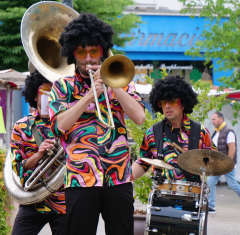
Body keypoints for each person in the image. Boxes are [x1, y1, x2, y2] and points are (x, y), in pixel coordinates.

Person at [48, 13, 145, 235]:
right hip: (81, 177)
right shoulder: (62, 86)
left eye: (94, 52)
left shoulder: (120, 79)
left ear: (103, 51)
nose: (89, 58)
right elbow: (58, 126)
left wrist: (114, 85)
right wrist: (89, 96)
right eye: (82, 52)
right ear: (73, 54)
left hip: (118, 175)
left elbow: (139, 117)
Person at [132, 75, 216, 235]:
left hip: (193, 201)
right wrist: (122, 178)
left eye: (172, 101)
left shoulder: (201, 133)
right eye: (163, 102)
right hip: (161, 201)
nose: (167, 106)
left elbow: (215, 162)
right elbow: (143, 163)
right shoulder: (152, 133)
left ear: (183, 103)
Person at [11, 71, 67, 235]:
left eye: (55, 93)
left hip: (64, 202)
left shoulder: (70, 124)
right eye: (45, 92)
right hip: (33, 201)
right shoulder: (22, 126)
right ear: (34, 96)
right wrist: (39, 154)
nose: (50, 96)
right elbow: (19, 168)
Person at [207, 111, 240, 213]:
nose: (212, 121)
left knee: (233, 184)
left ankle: (211, 205)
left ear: (221, 119)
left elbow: (232, 149)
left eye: (214, 119)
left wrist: (228, 164)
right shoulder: (216, 132)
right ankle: (211, 206)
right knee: (210, 182)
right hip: (217, 165)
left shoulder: (228, 131)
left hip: (226, 164)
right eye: (212, 119)